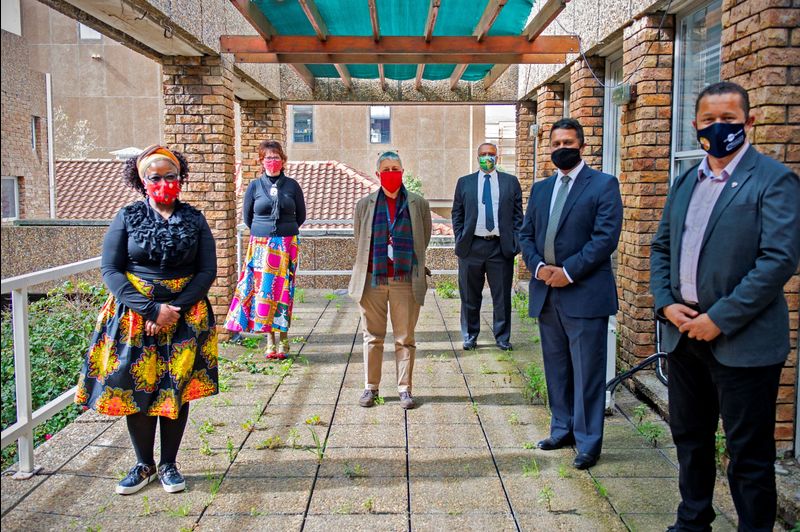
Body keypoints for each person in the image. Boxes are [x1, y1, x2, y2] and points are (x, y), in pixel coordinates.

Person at [650, 81, 800, 531]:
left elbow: (779, 260)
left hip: (743, 343)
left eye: (729, 120)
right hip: (683, 336)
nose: (718, 128)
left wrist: (720, 318)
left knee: (748, 454)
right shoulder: (686, 181)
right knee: (690, 440)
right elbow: (661, 247)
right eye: (709, 120)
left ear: (749, 122)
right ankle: (693, 518)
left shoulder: (774, 179)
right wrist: (665, 305)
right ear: (695, 125)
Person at [75, 145, 218, 495]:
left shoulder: (195, 219)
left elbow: (207, 270)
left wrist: (174, 310)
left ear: (180, 178)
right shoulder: (126, 217)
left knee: (176, 388)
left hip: (185, 317)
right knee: (137, 388)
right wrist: (151, 310)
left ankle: (169, 464)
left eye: (171, 176)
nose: (164, 183)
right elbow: (110, 269)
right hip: (134, 318)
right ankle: (144, 464)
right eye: (156, 177)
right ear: (142, 180)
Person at [519, 118, 623, 470]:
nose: (561, 148)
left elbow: (605, 238)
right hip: (546, 292)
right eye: (556, 143)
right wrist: (538, 268)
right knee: (557, 369)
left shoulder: (604, 186)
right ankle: (561, 429)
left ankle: (588, 442)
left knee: (588, 372)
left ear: (582, 146)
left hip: (585, 294)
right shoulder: (541, 189)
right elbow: (526, 234)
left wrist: (568, 271)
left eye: (568, 142)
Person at [348, 151, 432, 410]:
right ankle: (370, 388)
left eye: (396, 168)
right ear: (378, 174)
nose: (392, 173)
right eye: (387, 169)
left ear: (402, 171)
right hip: (373, 279)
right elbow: (359, 240)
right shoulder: (365, 205)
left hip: (405, 280)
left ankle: (404, 389)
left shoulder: (418, 204)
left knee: (405, 338)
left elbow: (424, 238)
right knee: (372, 336)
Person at [225, 140, 306, 359]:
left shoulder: (292, 186)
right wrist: (265, 234)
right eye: (268, 158)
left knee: (283, 292)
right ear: (262, 161)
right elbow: (248, 217)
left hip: (286, 245)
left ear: (283, 161)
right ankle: (269, 339)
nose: (273, 161)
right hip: (261, 245)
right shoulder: (254, 186)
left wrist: (283, 232)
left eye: (277, 157)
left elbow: (301, 216)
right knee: (264, 293)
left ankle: (284, 338)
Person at [452, 142, 523, 351]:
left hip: (500, 248)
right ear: (477, 157)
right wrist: (460, 238)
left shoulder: (510, 182)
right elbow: (457, 214)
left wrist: (515, 242)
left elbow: (518, 215)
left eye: (491, 154)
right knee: (469, 295)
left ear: (497, 158)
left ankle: (502, 337)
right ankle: (470, 335)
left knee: (501, 297)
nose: (487, 158)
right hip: (471, 247)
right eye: (483, 154)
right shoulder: (464, 183)